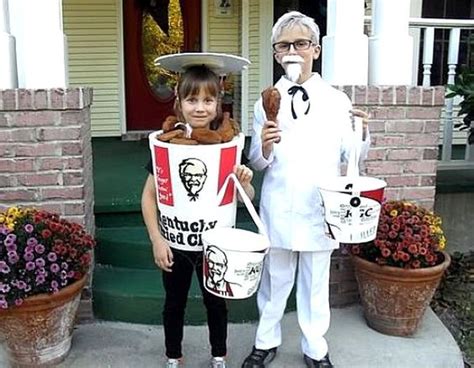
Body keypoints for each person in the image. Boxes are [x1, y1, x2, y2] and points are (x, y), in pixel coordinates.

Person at [242, 11, 370, 368]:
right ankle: (265, 341)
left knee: (315, 283)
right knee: (275, 279)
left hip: (320, 206)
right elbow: (256, 161)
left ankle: (315, 346)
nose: (292, 51)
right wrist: (264, 147)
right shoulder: (265, 101)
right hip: (279, 202)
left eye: (300, 43)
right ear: (275, 53)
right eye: (283, 45)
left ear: (315, 49)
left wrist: (361, 131)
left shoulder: (336, 100)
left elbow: (353, 155)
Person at [142, 64, 255, 368]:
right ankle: (173, 355)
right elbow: (149, 196)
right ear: (178, 103)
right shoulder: (166, 144)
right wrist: (157, 239)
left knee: (216, 303)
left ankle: (219, 354)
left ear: (219, 103)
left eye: (208, 100)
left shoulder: (229, 144)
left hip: (214, 244)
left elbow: (248, 198)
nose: (200, 108)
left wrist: (244, 182)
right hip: (175, 242)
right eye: (192, 100)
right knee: (174, 303)